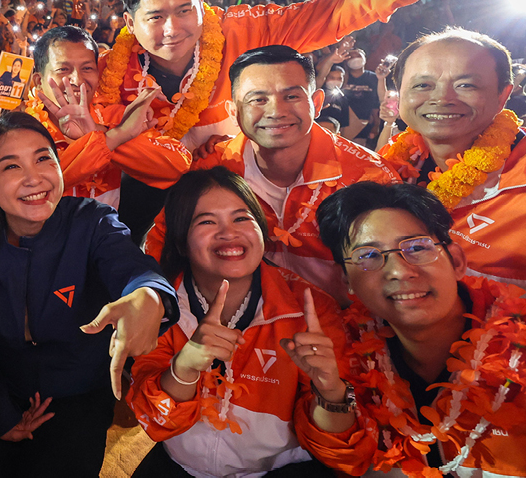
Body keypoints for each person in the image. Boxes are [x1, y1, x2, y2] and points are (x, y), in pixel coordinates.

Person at [103, 0, 476, 151]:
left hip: (237, 192)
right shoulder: (105, 73)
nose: (173, 29)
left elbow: (332, 13)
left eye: (184, 11)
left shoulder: (245, 30)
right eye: (155, 17)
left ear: (203, 6)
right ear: (129, 23)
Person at [0, 112, 177, 478]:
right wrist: (0, 414)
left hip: (78, 396)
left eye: (43, 158)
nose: (33, 178)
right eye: (11, 166)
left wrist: (149, 295)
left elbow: (132, 268)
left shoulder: (92, 222)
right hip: (0, 388)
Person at [129, 167, 344, 478]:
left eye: (242, 218)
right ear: (180, 242)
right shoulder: (159, 307)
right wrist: (184, 368)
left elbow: (336, 450)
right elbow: (157, 422)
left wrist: (330, 389)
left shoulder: (311, 309)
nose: (228, 233)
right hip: (181, 467)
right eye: (206, 221)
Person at [302, 181, 526, 476]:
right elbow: (340, 456)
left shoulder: (518, 350)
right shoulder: (345, 348)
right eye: (368, 256)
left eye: (417, 247)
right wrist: (331, 395)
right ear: (347, 282)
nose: (399, 271)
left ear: (457, 261)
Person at [144, 46, 399, 304]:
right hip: (239, 330)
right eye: (258, 99)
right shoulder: (212, 169)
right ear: (234, 112)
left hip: (351, 334)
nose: (276, 111)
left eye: (291, 97)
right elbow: (163, 246)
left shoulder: (369, 176)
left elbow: (397, 271)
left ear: (317, 103)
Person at [378, 28, 525, 286]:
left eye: (465, 85)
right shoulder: (389, 164)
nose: (442, 98)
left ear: (503, 95)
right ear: (400, 95)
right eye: (423, 85)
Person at [24, 25, 190, 212]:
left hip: (107, 238)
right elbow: (39, 185)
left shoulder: (116, 118)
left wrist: (101, 131)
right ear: (38, 81)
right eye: (63, 69)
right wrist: (114, 138)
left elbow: (176, 166)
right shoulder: (21, 132)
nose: (77, 80)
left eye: (87, 68)